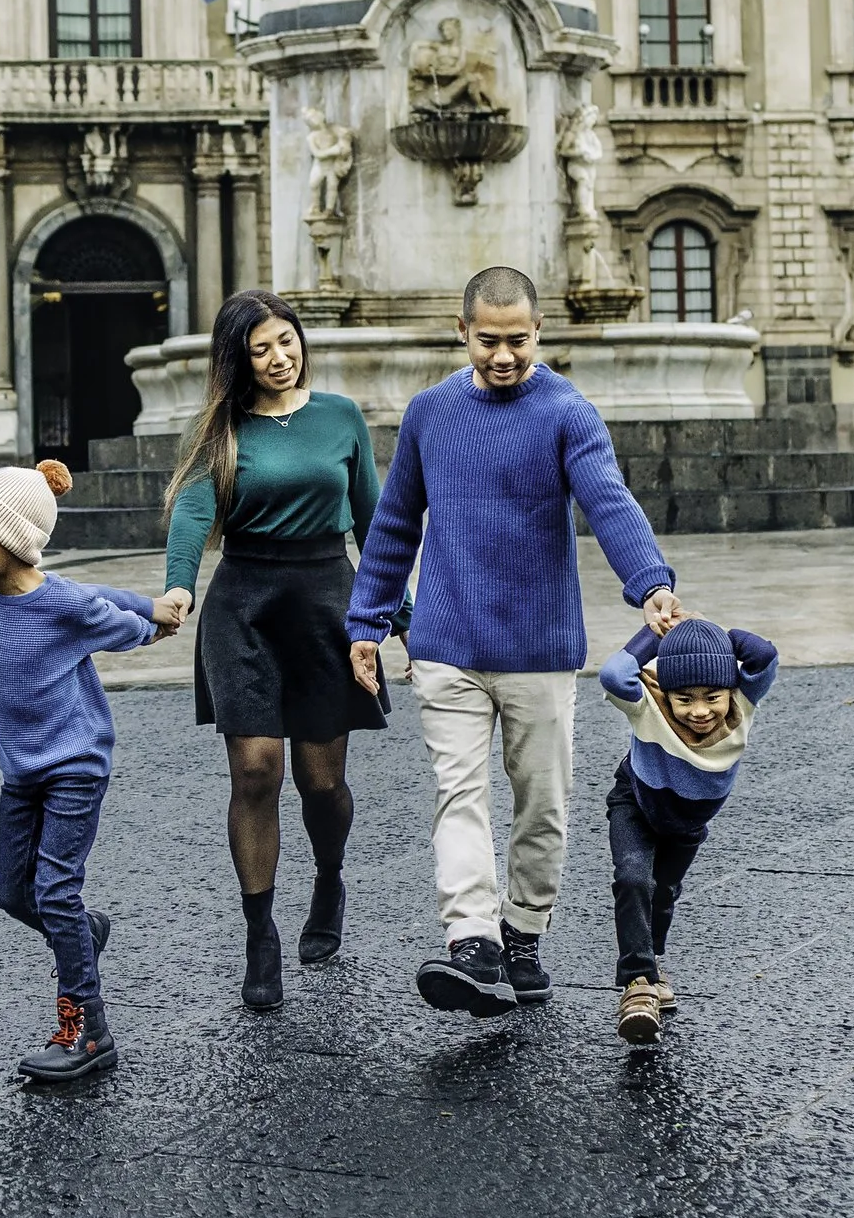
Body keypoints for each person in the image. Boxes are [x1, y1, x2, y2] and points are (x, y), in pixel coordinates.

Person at [346, 265, 683, 1017]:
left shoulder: (568, 410)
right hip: (446, 643)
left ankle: (524, 932)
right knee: (458, 794)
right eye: (489, 341)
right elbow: (395, 525)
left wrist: (650, 582)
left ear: (540, 333)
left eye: (519, 341)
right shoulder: (430, 413)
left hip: (538, 646)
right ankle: (472, 939)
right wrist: (367, 623)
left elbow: (607, 498)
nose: (504, 355)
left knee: (542, 803)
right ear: (462, 332)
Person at [153, 289, 406, 1013]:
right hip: (247, 607)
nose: (278, 357)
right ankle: (259, 934)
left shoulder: (340, 418)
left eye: (285, 341)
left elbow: (372, 520)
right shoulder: (220, 430)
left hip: (328, 600)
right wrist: (178, 588)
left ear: (301, 342)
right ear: (238, 359)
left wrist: (400, 614)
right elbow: (194, 513)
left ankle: (329, 877)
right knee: (257, 771)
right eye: (261, 348)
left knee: (321, 783)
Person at [0, 458, 174, 1084]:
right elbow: (83, 589)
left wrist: (155, 614)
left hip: (75, 763)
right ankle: (84, 931)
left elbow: (100, 608)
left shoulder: (61, 605)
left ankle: (88, 1033)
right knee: (13, 893)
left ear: (14, 539)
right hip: (21, 769)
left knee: (54, 889)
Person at [597, 616, 779, 1044]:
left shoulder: (742, 704)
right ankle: (638, 985)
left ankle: (654, 963)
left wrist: (718, 637)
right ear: (667, 693)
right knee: (632, 877)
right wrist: (656, 636)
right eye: (685, 699)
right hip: (636, 804)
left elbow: (764, 654)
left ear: (729, 691)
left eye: (711, 697)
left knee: (664, 892)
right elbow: (612, 674)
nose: (699, 710)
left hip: (687, 822)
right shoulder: (649, 704)